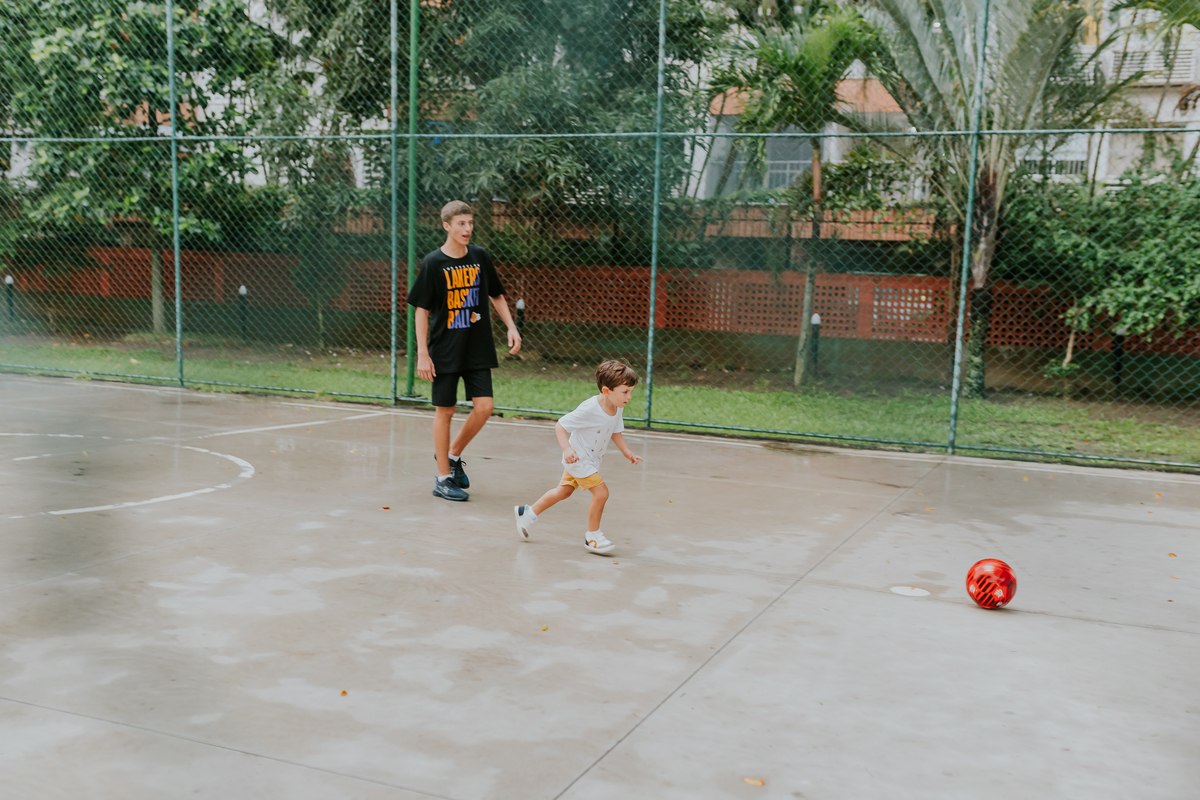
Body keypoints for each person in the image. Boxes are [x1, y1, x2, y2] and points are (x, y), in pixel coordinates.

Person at [407, 200, 521, 501]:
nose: (467, 229)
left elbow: (496, 294)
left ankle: (453, 455)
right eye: (461, 223)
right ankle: (443, 478)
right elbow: (421, 310)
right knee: (445, 410)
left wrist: (511, 326)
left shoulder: (479, 256)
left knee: (484, 406)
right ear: (447, 226)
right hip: (444, 349)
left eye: (470, 223)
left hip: (477, 347)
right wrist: (422, 352)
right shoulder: (433, 262)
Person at [513, 360, 643, 554]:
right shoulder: (589, 408)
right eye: (625, 392)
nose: (629, 397)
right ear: (607, 391)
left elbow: (615, 430)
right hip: (578, 459)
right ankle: (593, 537)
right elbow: (561, 426)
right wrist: (566, 449)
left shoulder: (618, 405)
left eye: (630, 391)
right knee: (601, 493)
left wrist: (626, 451)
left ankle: (527, 513)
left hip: (590, 460)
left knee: (563, 491)